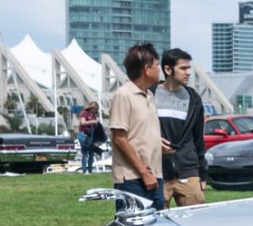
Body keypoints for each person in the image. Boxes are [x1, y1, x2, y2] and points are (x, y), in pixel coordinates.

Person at [108, 42, 164, 209]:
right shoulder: (123, 95)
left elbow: (139, 133)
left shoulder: (150, 96)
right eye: (157, 65)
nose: (159, 69)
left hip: (155, 175)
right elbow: (119, 139)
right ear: (146, 69)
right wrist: (144, 173)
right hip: (133, 179)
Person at [155, 48, 209, 206]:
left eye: (189, 68)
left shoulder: (193, 98)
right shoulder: (150, 94)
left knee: (196, 224)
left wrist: (202, 175)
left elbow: (198, 138)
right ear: (168, 69)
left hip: (188, 171)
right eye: (183, 68)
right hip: (158, 173)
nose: (188, 72)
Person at [77, 101, 101, 173]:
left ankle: (90, 170)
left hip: (91, 135)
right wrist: (93, 121)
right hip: (83, 135)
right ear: (90, 107)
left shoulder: (93, 115)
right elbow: (82, 122)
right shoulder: (85, 113)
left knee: (91, 153)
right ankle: (84, 170)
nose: (95, 110)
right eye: (94, 108)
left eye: (96, 109)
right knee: (85, 153)